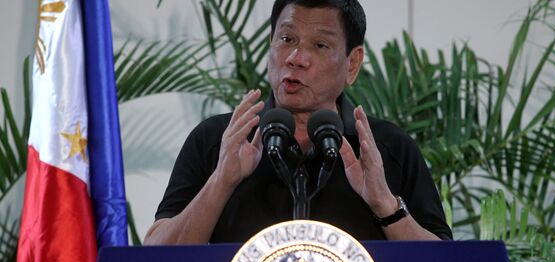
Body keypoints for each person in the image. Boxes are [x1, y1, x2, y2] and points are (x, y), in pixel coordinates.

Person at [144, 0, 452, 245]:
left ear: (352, 63)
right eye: (287, 39)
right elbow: (156, 261)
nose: (296, 57)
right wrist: (221, 182)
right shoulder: (219, 140)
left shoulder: (387, 149)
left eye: (319, 45)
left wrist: (385, 204)